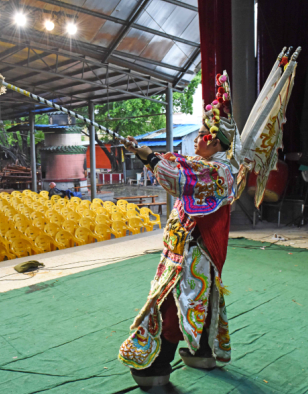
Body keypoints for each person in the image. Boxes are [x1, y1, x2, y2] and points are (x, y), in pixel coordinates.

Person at [118, 75, 240, 387]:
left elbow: (181, 181)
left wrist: (149, 157)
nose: (197, 140)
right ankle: (203, 353)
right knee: (201, 300)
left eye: (201, 135)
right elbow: (178, 166)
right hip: (186, 249)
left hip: (194, 254)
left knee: (174, 305)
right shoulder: (209, 165)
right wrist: (143, 154)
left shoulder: (220, 172)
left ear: (215, 141)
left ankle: (157, 367)